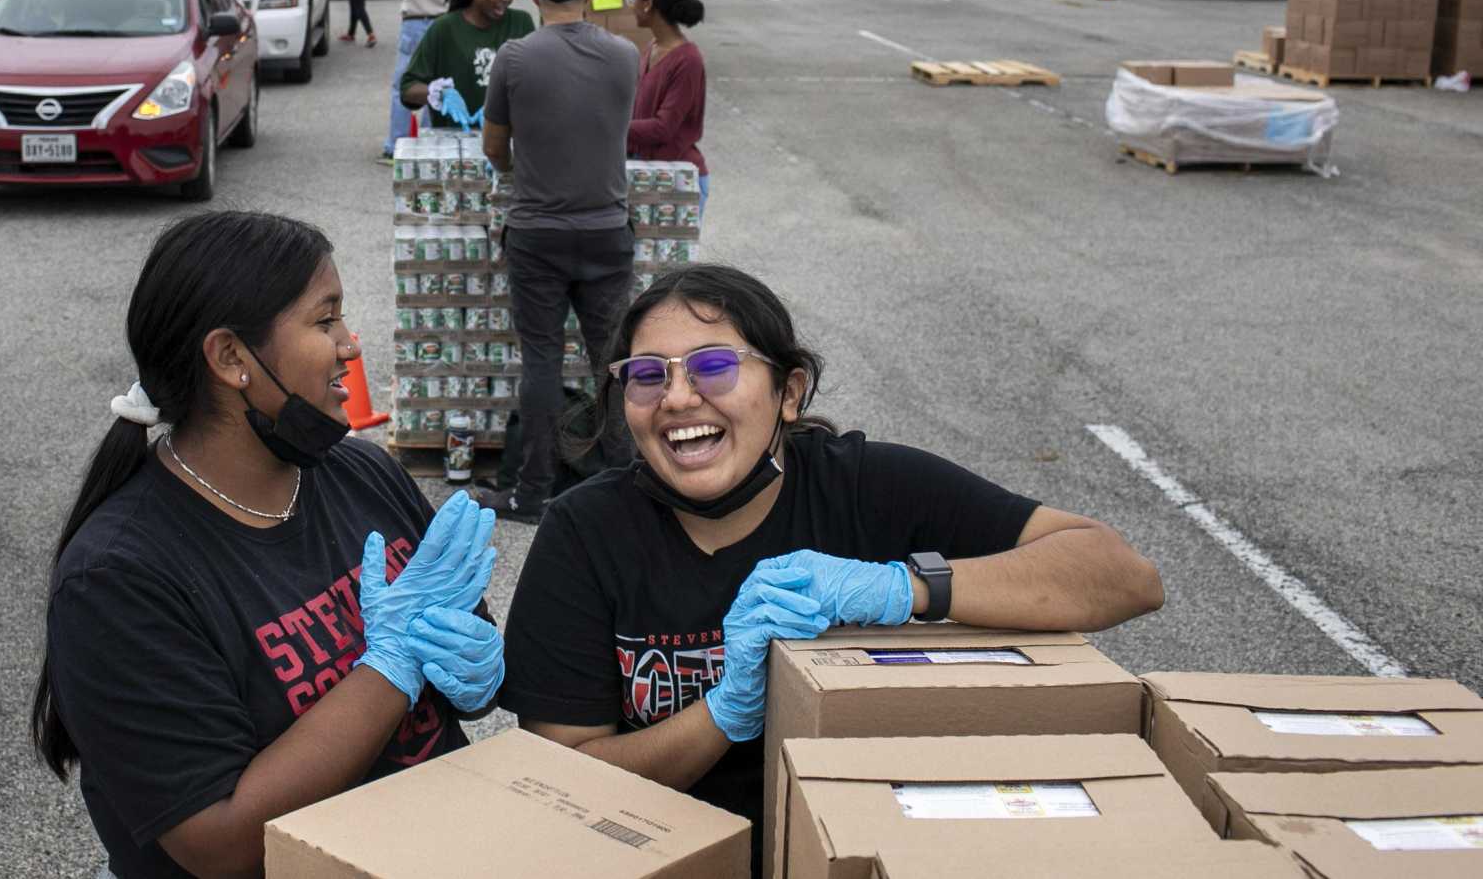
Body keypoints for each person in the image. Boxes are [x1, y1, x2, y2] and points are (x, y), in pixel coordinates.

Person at [498, 265, 1164, 860]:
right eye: (647, 376)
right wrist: (723, 714)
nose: (676, 398)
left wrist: (903, 588)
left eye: (712, 367)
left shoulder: (869, 488)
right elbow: (566, 779)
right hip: (672, 853)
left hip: (872, 843)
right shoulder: (586, 534)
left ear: (789, 392)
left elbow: (1123, 576)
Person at [36, 212, 504, 879]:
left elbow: (465, 681)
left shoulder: (360, 474)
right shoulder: (118, 579)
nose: (350, 343)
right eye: (325, 321)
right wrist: (390, 666)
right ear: (230, 358)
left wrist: (476, 672)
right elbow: (221, 843)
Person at [474, 0, 641, 523]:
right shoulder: (624, 56)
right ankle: (627, 487)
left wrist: (526, 170)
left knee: (541, 362)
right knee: (613, 363)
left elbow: (494, 146)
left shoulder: (514, 58)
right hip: (606, 232)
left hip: (537, 234)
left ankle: (531, 492)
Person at [398, 0, 535, 130]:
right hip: (455, 142)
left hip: (507, 139)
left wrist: (502, 105)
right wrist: (439, 93)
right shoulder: (444, 28)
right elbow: (408, 89)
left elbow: (537, 83)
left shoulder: (521, 24)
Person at [626, 0, 709, 211]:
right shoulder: (652, 47)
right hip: (645, 173)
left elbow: (664, 128)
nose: (630, 4)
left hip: (676, 181)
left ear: (648, 3)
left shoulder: (688, 61)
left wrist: (610, 125)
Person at [385, 0, 466, 159]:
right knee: (437, 83)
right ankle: (432, 139)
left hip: (412, 19)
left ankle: (395, 143)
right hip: (442, 22)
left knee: (402, 84)